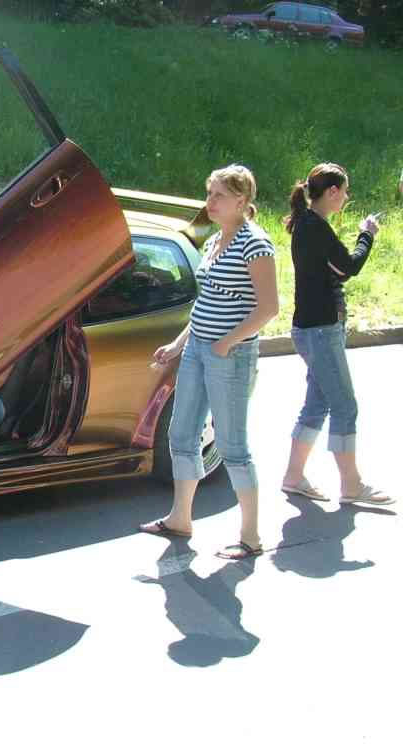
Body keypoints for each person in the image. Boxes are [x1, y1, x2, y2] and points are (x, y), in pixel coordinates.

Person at [139, 164, 279, 560]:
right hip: (198, 349)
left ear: (241, 200)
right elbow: (205, 304)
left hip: (230, 355)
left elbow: (269, 308)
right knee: (182, 434)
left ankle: (250, 536)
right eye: (209, 193)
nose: (210, 202)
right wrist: (177, 344)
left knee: (233, 445)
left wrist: (227, 342)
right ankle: (180, 518)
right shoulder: (216, 239)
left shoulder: (256, 244)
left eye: (218, 195)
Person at [279, 163, 394, 506]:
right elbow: (350, 266)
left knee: (317, 404)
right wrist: (367, 234)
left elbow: (337, 270)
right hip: (320, 330)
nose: (346, 197)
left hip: (312, 328)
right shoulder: (314, 226)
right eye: (344, 191)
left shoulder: (307, 223)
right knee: (345, 406)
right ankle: (351, 485)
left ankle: (294, 476)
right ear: (332, 192)